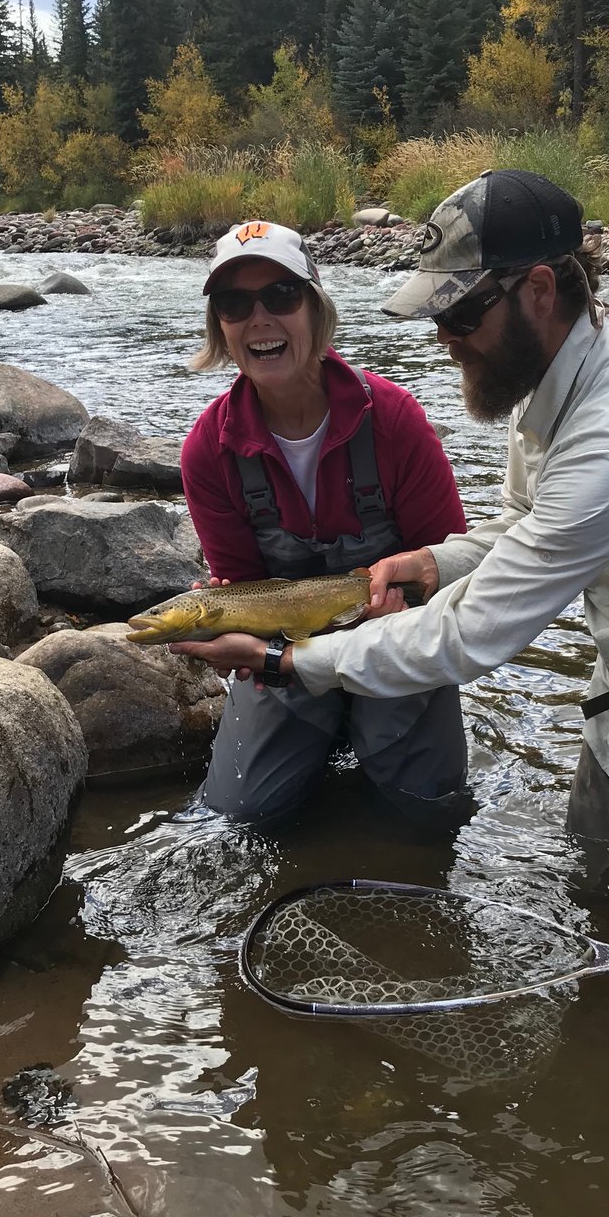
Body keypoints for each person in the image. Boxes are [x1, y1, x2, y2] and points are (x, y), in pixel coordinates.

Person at [172, 172, 609, 936]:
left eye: (463, 312)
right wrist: (435, 563)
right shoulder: (550, 377)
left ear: (539, 291)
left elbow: (470, 634)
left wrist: (284, 662)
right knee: (596, 892)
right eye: (438, 313)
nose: (445, 337)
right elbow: (521, 520)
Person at [180, 217, 470, 824]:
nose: (259, 319)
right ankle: (330, 728)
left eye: (281, 296)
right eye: (235, 304)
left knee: (426, 813)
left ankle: (368, 731)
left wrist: (407, 605)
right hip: (286, 653)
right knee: (242, 813)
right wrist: (249, 648)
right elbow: (242, 588)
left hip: (397, 643)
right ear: (221, 329)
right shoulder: (209, 448)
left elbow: (451, 562)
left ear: (315, 309)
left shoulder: (393, 420)